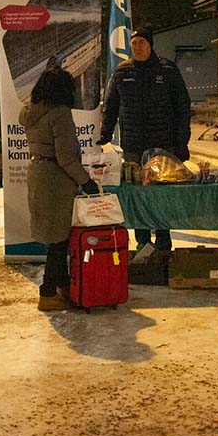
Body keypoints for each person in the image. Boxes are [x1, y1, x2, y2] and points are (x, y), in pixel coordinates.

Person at [97, 26, 191, 252]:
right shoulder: (122, 71)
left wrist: (181, 143)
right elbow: (111, 107)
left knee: (160, 194)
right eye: (134, 43)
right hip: (133, 146)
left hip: (163, 144)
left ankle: (163, 239)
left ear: (151, 45)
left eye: (142, 42)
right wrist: (105, 134)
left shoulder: (167, 70)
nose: (137, 46)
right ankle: (142, 241)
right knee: (137, 194)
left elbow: (183, 107)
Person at [20, 65, 100, 311]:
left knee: (56, 237)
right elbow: (66, 157)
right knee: (58, 241)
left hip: (38, 174)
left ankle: (64, 284)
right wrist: (86, 182)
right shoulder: (60, 114)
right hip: (55, 180)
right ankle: (47, 293)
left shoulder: (29, 111)